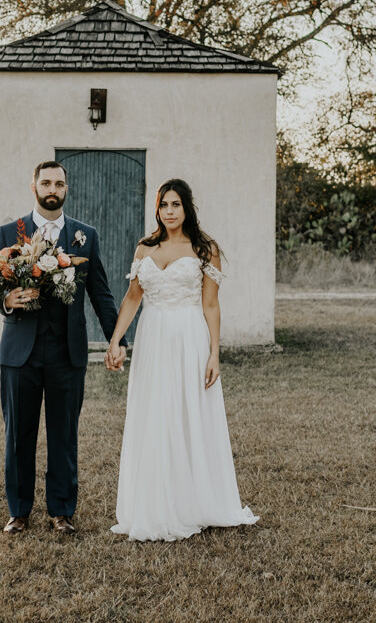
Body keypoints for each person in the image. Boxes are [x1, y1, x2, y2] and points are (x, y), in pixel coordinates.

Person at [105, 178, 258, 541]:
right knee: (155, 413)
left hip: (190, 336)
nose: (169, 212)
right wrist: (115, 340)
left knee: (189, 413)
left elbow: (210, 303)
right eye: (163, 205)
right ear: (157, 209)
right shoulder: (145, 247)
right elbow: (131, 299)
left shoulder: (205, 248)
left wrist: (214, 354)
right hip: (153, 336)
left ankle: (194, 500)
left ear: (186, 207)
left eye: (175, 204)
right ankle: (156, 503)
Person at [0, 160, 126, 535]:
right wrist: (8, 300)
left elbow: (100, 293)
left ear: (66, 189)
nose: (53, 189)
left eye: (59, 183)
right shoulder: (10, 232)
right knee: (18, 435)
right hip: (20, 352)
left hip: (69, 352)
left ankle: (61, 512)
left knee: (64, 435)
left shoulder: (85, 235)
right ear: (33, 186)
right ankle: (18, 512)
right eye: (46, 182)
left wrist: (116, 339)